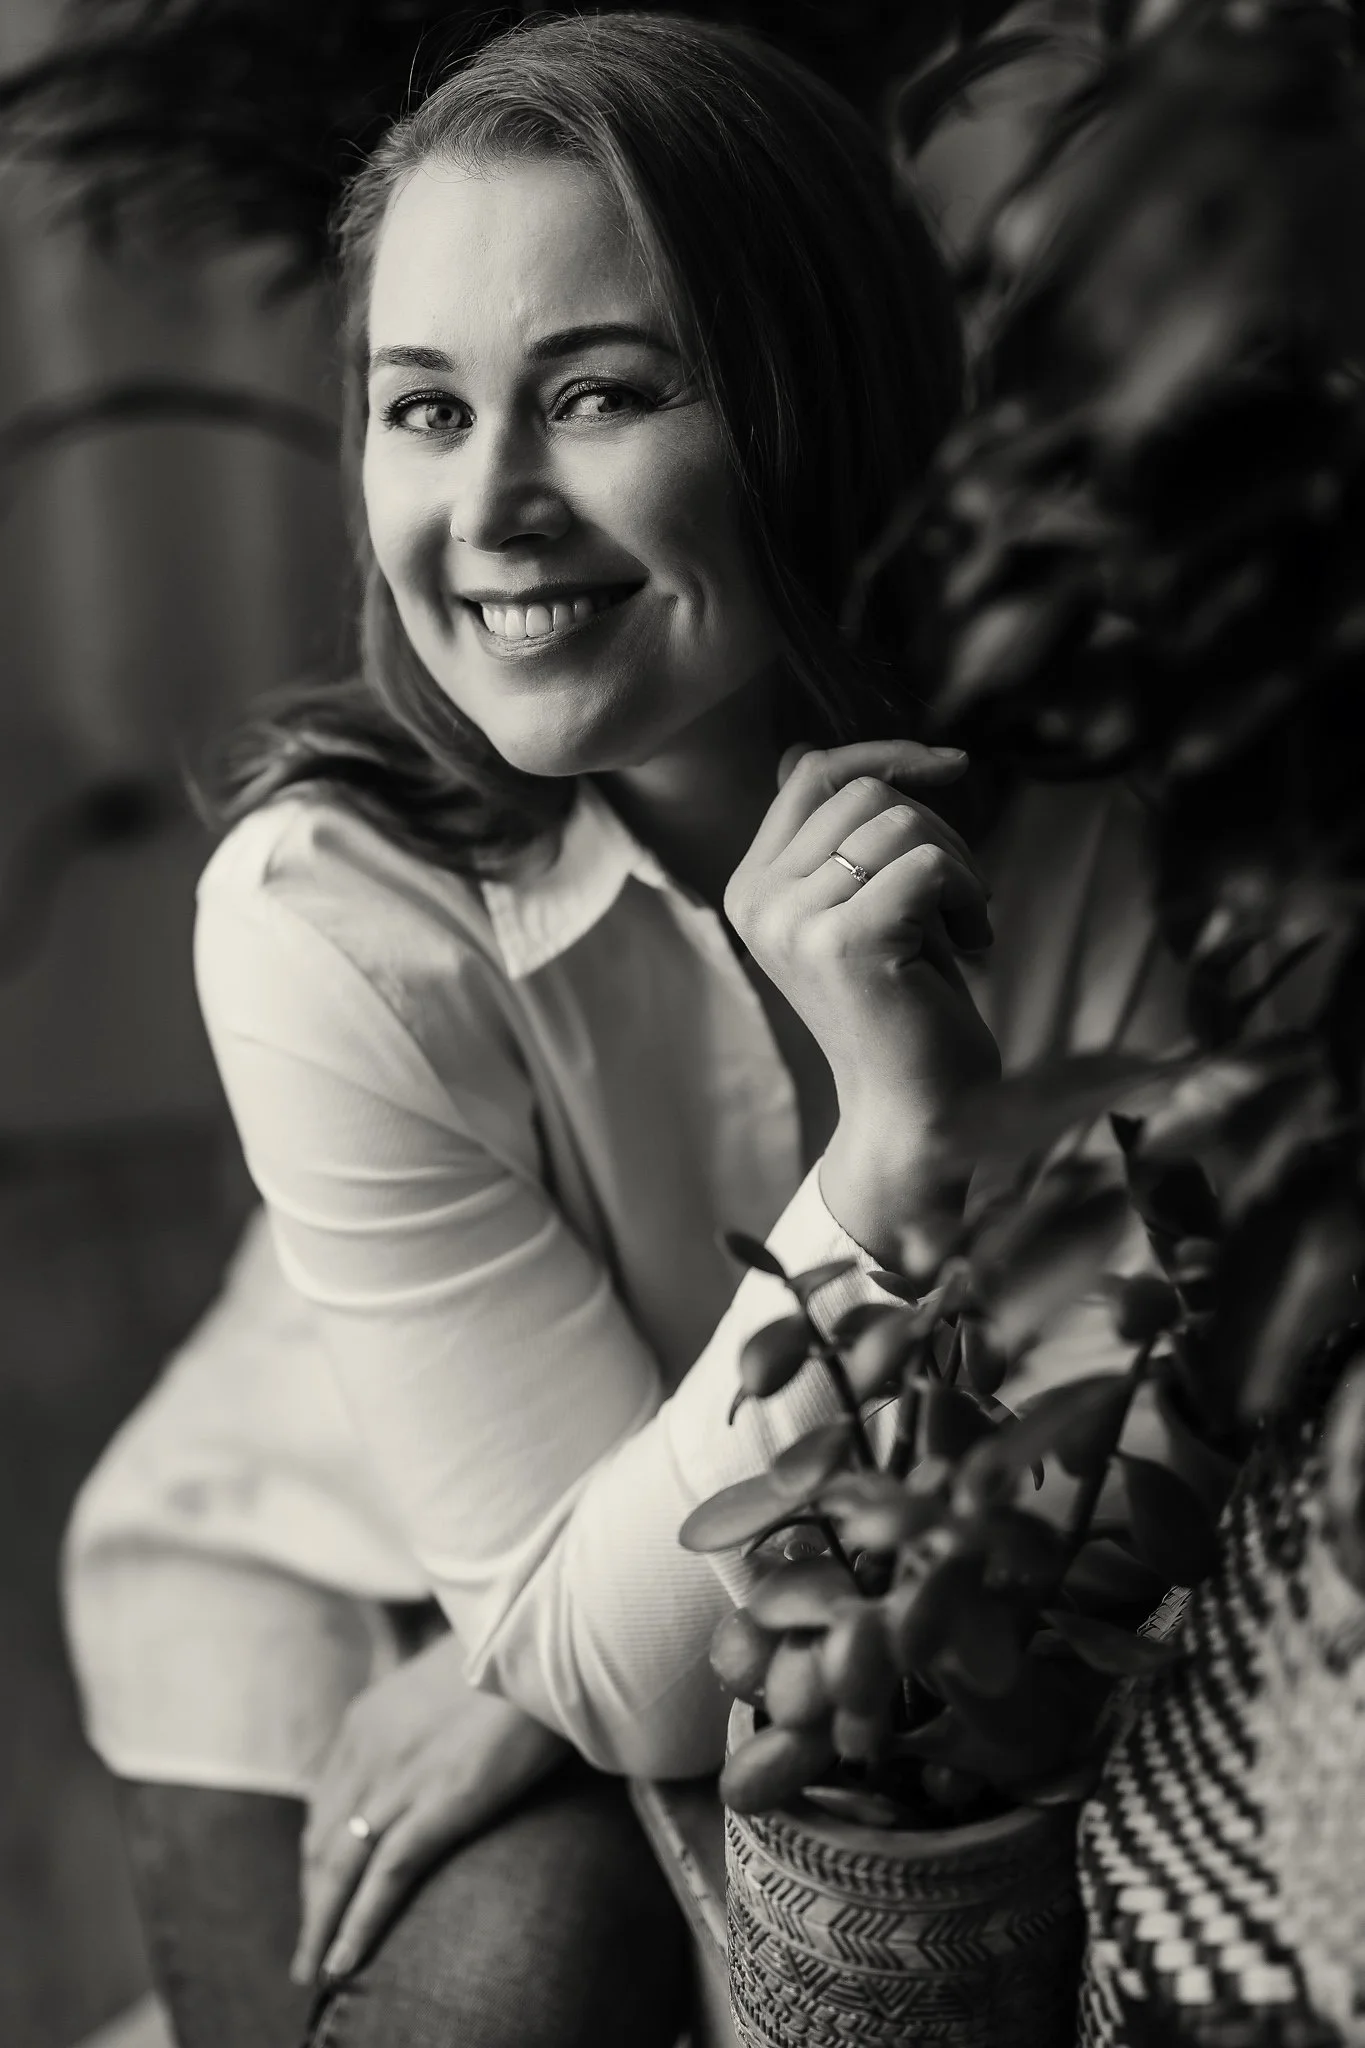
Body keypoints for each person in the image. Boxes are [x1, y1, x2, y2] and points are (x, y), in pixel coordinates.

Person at [62, 13, 1177, 2047]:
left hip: (689, 1574)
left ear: (815, 404)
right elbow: (628, 1666)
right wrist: (886, 1169)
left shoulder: (1090, 815)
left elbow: (1090, 1501)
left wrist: (569, 1645)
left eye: (596, 392)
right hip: (342, 1548)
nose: (489, 506)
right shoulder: (332, 907)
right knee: (502, 1990)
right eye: (421, 409)